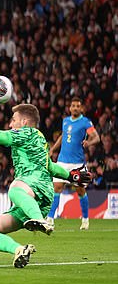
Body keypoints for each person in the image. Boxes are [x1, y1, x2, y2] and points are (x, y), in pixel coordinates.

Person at [0, 104, 91, 268]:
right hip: (33, 200)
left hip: (34, 186)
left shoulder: (26, 133)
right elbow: (50, 166)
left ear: (24, 122)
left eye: (13, 120)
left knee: (14, 189)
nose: (10, 125)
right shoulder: (40, 139)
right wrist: (70, 176)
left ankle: (40, 220)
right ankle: (19, 250)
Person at [47, 97, 100, 230]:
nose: (75, 108)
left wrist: (89, 143)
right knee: (57, 188)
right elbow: (63, 136)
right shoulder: (65, 121)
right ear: (70, 108)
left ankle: (85, 219)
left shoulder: (85, 122)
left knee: (80, 190)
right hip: (62, 161)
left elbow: (96, 138)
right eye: (73, 106)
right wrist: (52, 149)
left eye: (78, 106)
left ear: (81, 108)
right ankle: (50, 219)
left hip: (77, 163)